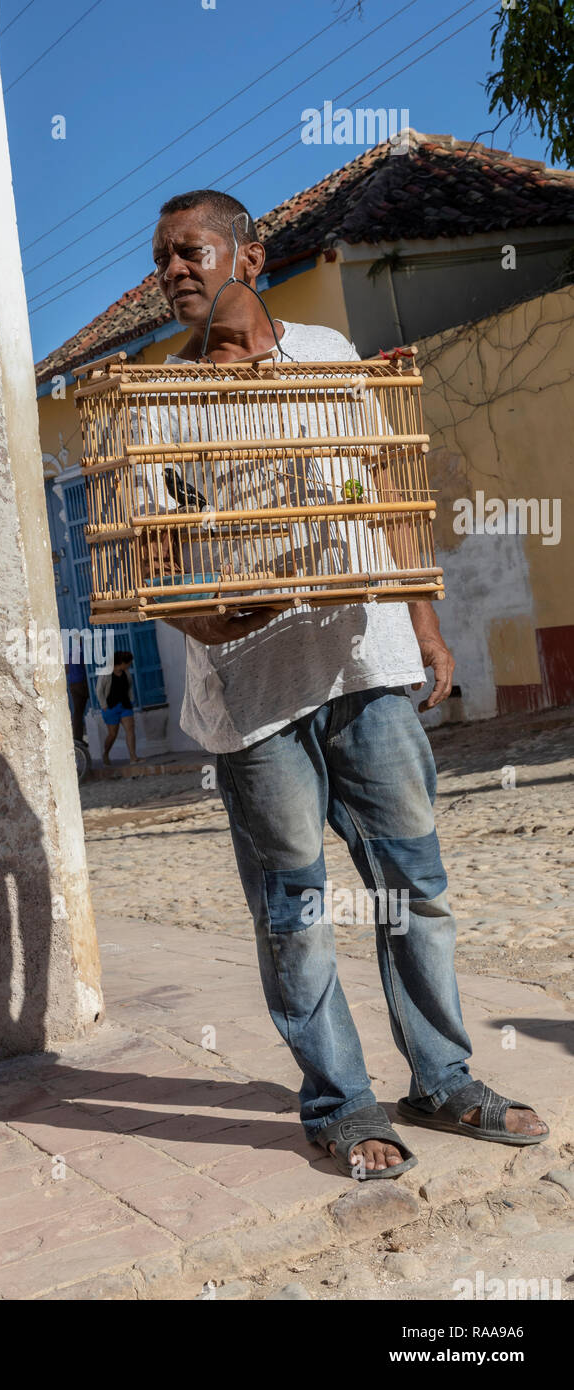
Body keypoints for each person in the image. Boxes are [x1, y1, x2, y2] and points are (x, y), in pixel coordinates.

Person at [146, 188, 547, 1178]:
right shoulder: (159, 396)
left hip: (369, 668)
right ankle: (341, 1103)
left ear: (248, 254)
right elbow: (154, 557)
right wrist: (207, 617)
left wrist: (422, 621)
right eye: (161, 260)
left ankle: (443, 1081)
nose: (172, 273)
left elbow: (384, 485)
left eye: (189, 252)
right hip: (252, 693)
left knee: (410, 882)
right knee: (294, 906)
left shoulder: (329, 357)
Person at [96, 650, 138, 765]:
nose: (129, 665)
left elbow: (129, 686)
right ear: (122, 663)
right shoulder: (106, 673)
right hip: (110, 708)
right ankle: (106, 753)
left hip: (125, 705)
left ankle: (133, 757)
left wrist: (131, 699)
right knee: (112, 734)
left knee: (130, 730)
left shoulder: (126, 672)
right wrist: (103, 705)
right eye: (128, 663)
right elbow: (99, 690)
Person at [65, 658, 89, 744]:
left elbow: (66, 669)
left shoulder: (70, 652)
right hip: (82, 682)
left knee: (77, 712)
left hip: (72, 683)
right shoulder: (84, 650)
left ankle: (77, 738)